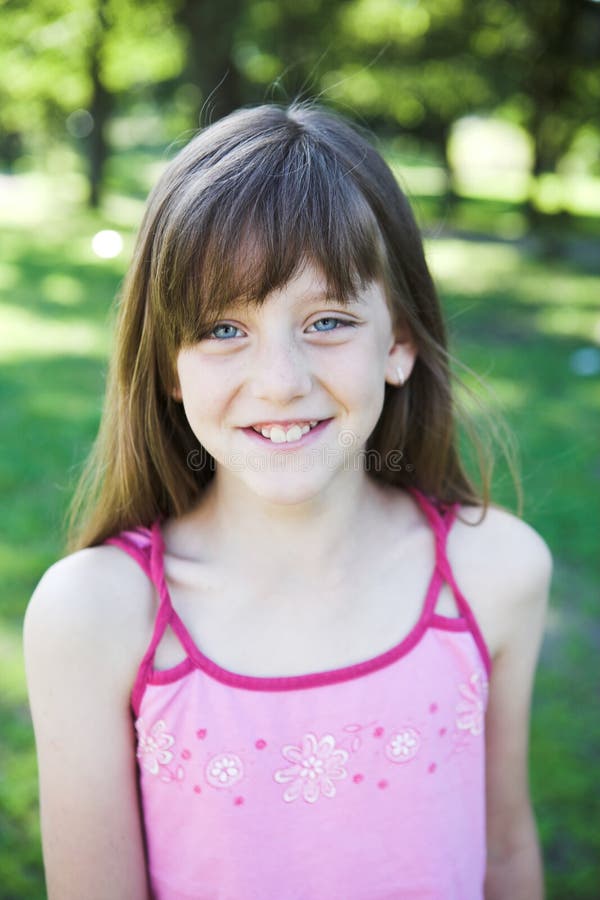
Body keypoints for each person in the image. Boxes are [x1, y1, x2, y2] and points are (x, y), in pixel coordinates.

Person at [23, 101, 552, 900]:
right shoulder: (98, 617)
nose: (280, 381)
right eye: (223, 331)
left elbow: (506, 855)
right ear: (168, 366)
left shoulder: (493, 574)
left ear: (399, 342)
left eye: (329, 320)